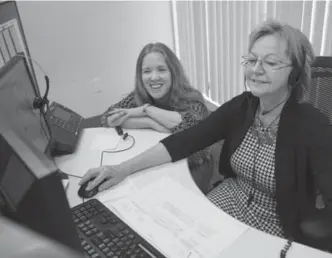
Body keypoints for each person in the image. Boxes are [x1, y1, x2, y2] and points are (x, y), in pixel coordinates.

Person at [80, 19, 332, 246]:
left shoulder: (313, 127)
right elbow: (185, 140)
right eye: (252, 60)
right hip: (229, 198)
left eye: (271, 62)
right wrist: (120, 169)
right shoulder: (242, 106)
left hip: (275, 223)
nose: (256, 69)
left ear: (295, 73)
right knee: (168, 240)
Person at [99, 42, 212, 193]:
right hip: (158, 162)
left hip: (194, 166)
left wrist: (146, 110)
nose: (154, 77)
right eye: (147, 71)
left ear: (173, 72)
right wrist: (150, 122)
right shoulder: (139, 96)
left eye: (161, 69)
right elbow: (107, 116)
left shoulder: (193, 98)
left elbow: (188, 129)